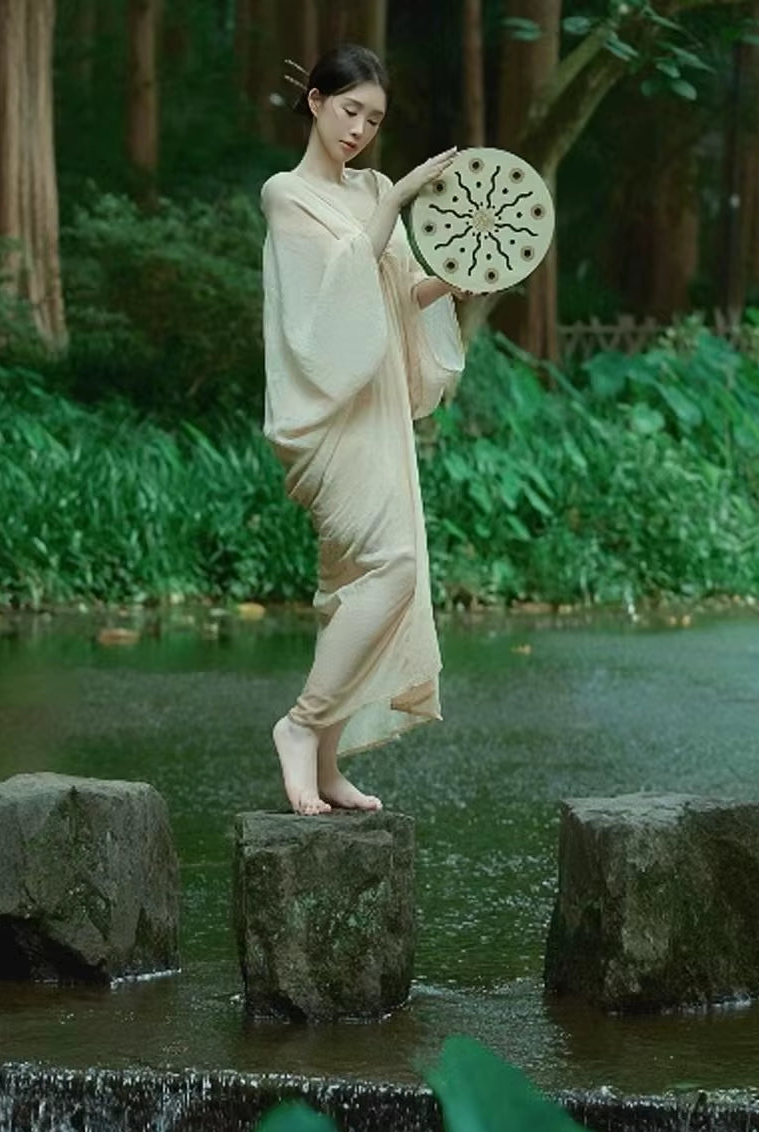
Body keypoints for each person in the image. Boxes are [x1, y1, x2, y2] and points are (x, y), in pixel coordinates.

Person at [261, 43, 467, 816]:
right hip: (327, 412)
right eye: (350, 110)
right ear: (315, 101)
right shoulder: (286, 195)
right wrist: (400, 196)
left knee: (354, 582)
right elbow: (328, 306)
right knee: (391, 566)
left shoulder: (374, 189)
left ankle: (325, 759)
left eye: (374, 119)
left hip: (377, 405)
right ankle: (300, 725)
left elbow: (394, 293)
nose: (360, 130)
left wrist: (461, 274)